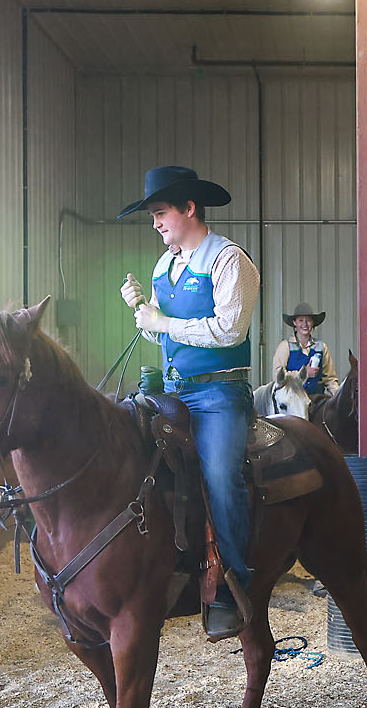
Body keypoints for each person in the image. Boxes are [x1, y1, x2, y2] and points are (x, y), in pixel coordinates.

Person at [119, 165, 259, 641]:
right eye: (153, 216)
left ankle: (235, 586)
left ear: (189, 209)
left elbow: (229, 330)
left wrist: (160, 322)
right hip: (175, 389)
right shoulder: (164, 266)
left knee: (220, 476)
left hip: (220, 391)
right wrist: (140, 310)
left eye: (160, 213)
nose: (155, 223)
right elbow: (159, 332)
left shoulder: (229, 260)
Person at [271, 302, 339, 397]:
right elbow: (277, 375)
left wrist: (336, 394)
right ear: (295, 323)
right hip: (293, 400)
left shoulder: (321, 346)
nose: (305, 324)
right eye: (301, 320)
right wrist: (304, 374)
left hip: (317, 399)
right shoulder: (285, 346)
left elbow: (329, 377)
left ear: (313, 323)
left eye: (308, 320)